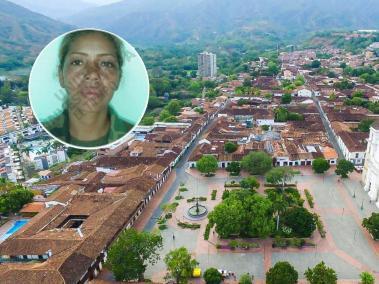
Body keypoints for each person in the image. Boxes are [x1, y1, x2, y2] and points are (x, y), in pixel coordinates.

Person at [43, 29, 134, 147]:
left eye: (106, 64)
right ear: (61, 75)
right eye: (77, 62)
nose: (92, 75)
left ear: (118, 78)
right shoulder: (47, 131)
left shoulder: (130, 133)